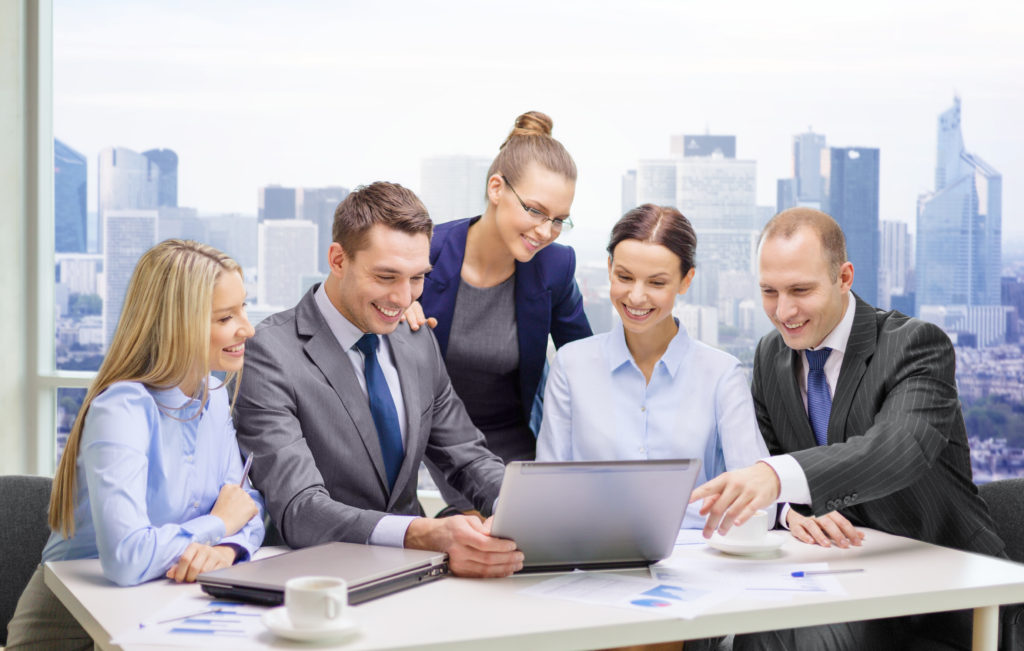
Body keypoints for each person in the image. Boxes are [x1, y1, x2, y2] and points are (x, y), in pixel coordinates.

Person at [690, 207, 1003, 650]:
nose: (784, 311)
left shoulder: (914, 345)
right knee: (746, 632)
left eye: (801, 290)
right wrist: (790, 511)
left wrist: (777, 476)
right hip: (843, 578)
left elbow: (898, 448)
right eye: (769, 291)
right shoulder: (769, 357)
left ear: (844, 277)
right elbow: (780, 465)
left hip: (940, 591)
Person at [234, 181, 523, 578]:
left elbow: (467, 458)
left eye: (417, 278)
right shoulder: (271, 352)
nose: (405, 299)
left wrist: (525, 509)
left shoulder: (417, 340)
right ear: (338, 259)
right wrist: (424, 534)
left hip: (418, 576)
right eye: (386, 277)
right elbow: (300, 508)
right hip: (318, 581)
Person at [6, 240, 265, 650]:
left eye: (244, 309)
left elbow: (246, 505)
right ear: (179, 323)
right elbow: (127, 558)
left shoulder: (212, 396)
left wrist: (229, 547)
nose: (247, 328)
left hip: (163, 606)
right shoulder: (122, 408)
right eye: (225, 317)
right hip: (77, 625)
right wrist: (217, 526)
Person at [536, 204, 768, 528]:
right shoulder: (571, 366)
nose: (636, 296)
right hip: (594, 556)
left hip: (696, 558)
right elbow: (548, 490)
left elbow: (757, 500)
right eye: (624, 277)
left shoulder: (722, 375)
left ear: (686, 281)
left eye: (657, 283)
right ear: (609, 268)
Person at [411, 111, 592, 513]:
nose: (545, 231)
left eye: (559, 220)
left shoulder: (554, 267)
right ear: (497, 188)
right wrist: (394, 306)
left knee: (542, 526)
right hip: (431, 434)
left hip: (510, 435)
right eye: (535, 211)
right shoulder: (425, 253)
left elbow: (585, 361)